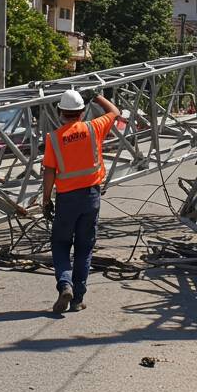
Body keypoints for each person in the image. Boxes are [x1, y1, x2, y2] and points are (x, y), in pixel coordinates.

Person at [40, 88, 120, 314]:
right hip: (91, 197)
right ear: (83, 112)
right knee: (84, 248)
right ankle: (78, 299)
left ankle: (65, 284)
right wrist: (96, 95)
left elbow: (49, 172)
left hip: (66, 200)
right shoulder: (93, 128)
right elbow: (115, 111)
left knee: (61, 244)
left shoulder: (54, 139)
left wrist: (46, 200)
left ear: (60, 112)